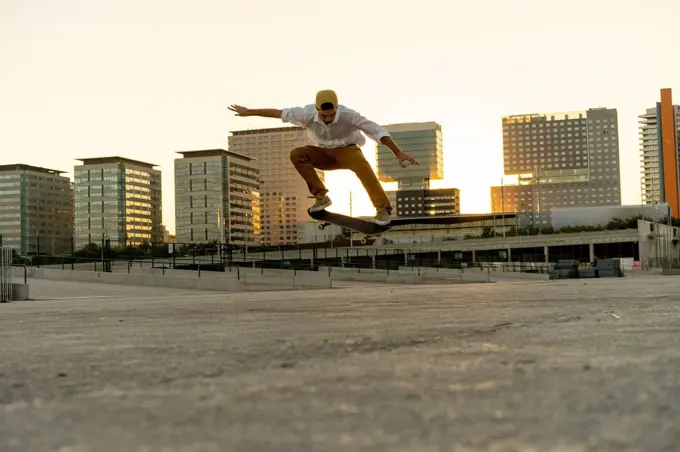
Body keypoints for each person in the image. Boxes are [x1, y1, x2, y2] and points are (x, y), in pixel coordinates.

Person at [228, 90, 417, 225]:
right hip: (323, 153)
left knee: (362, 165)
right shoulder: (306, 113)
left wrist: (397, 152)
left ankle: (382, 210)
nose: (327, 119)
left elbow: (377, 131)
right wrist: (249, 112)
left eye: (331, 115)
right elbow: (278, 113)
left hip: (348, 151)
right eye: (324, 115)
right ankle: (321, 197)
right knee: (297, 154)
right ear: (318, 109)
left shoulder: (349, 116)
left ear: (336, 109)